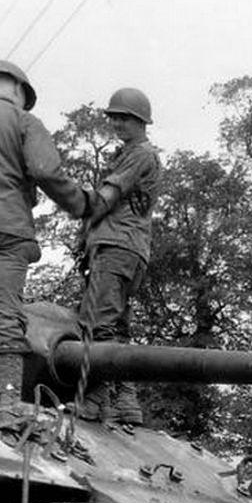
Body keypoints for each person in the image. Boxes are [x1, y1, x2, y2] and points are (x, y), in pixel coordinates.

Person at [0, 60, 91, 425]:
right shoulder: (26, 122)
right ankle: (9, 401)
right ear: (18, 89)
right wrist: (80, 204)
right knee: (7, 315)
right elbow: (45, 171)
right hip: (9, 225)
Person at [76, 88, 162, 425]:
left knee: (97, 323)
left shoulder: (139, 155)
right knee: (117, 328)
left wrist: (76, 204)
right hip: (131, 250)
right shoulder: (135, 154)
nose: (116, 123)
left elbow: (104, 200)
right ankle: (126, 402)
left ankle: (96, 398)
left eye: (123, 118)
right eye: (113, 117)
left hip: (116, 248)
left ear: (141, 121)